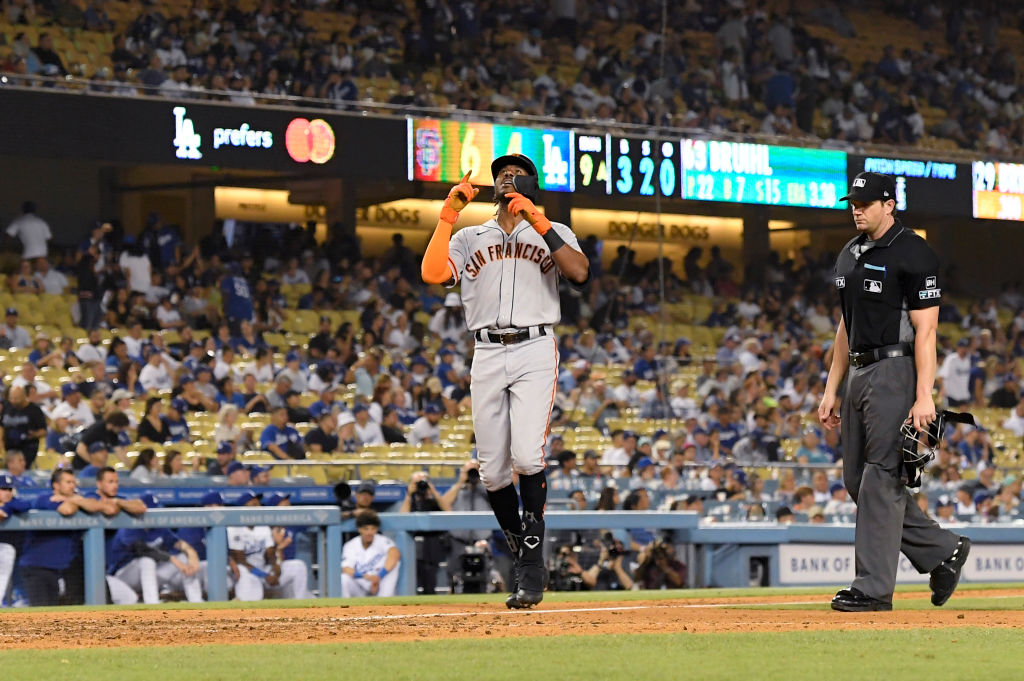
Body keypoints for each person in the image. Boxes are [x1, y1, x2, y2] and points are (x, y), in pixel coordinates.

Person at [420, 153, 589, 609]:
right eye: (501, 174)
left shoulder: (552, 231)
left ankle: (530, 564)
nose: (506, 178)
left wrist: (538, 220)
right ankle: (524, 552)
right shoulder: (471, 235)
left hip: (535, 345)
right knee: (492, 471)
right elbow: (434, 274)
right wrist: (448, 213)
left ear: (531, 184)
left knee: (527, 455)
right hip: (488, 349)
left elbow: (578, 274)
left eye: (516, 174)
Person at [818, 172, 970, 613]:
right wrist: (831, 387)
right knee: (855, 480)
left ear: (889, 204)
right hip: (858, 373)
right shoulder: (848, 254)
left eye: (866, 202)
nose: (857, 208)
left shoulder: (915, 252)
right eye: (853, 202)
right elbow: (845, 325)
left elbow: (927, 331)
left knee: (880, 479)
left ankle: (872, 588)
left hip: (895, 369)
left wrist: (925, 395)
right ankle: (943, 549)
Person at [18, 469, 106, 605]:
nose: (72, 485)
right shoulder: (44, 498)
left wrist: (74, 499)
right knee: (41, 615)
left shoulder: (75, 499)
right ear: (56, 485)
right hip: (37, 567)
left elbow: (96, 506)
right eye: (68, 482)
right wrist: (77, 501)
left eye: (73, 482)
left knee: (58, 614)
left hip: (61, 569)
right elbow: (67, 509)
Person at [107, 494, 202, 605]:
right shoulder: (130, 525)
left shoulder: (158, 527)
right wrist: (171, 559)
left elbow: (178, 543)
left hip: (148, 577)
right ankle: (152, 604)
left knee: (183, 558)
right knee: (147, 561)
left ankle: (197, 602)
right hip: (123, 577)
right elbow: (141, 549)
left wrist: (191, 553)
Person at [228, 491, 312, 601]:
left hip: (264, 570)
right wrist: (264, 576)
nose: (258, 508)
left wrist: (276, 569)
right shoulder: (234, 528)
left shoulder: (263, 527)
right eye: (253, 505)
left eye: (258, 504)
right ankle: (243, 604)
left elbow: (271, 555)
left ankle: (300, 604)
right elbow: (240, 561)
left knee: (298, 566)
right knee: (244, 572)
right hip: (246, 572)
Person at [341, 509, 401, 598]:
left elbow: (395, 554)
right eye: (366, 529)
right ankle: (345, 608)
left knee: (395, 564)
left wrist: (379, 576)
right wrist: (366, 577)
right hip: (362, 583)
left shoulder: (382, 541)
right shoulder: (351, 545)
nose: (370, 532)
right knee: (344, 578)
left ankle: (385, 599)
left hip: (381, 581)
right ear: (359, 529)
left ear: (377, 529)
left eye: (373, 529)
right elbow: (346, 568)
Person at [0, 473, 31, 604]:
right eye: (3, 489)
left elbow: (26, 505)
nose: (7, 492)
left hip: (7, 547)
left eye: (9, 489)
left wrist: (5, 506)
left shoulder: (13, 503)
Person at [0, 386, 48, 468]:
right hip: (10, 448)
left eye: (16, 398)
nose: (13, 401)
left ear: (24, 397)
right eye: (11, 398)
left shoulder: (34, 410)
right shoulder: (7, 406)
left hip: (28, 449)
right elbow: (2, 426)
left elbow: (44, 431)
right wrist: (1, 441)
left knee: (21, 469)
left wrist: (34, 435)